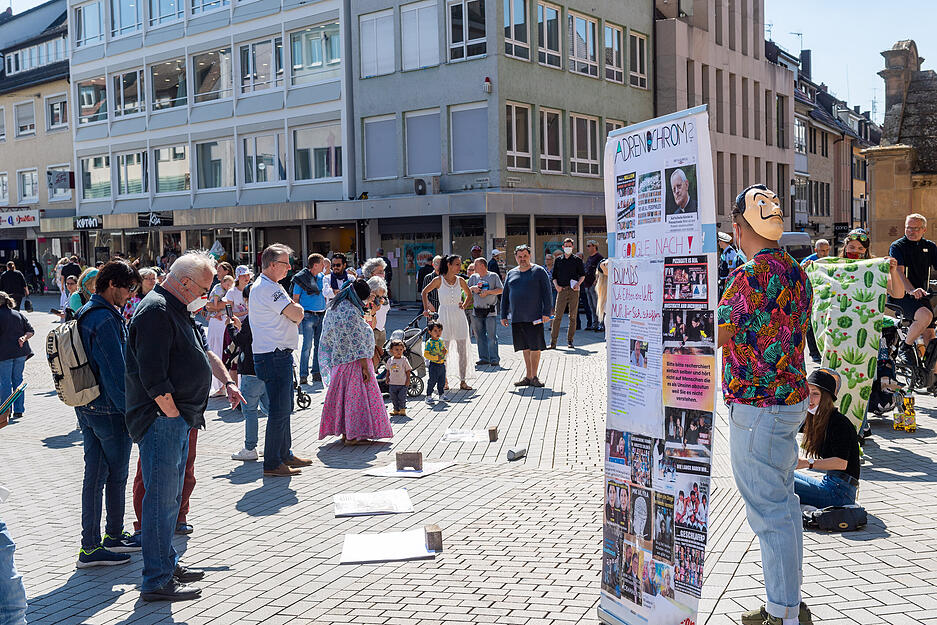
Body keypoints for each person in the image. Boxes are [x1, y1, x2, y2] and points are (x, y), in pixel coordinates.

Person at [125, 251, 244, 601]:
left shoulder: (176, 307)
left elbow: (201, 352)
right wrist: (172, 414)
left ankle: (166, 564)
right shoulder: (156, 310)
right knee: (161, 501)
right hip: (163, 420)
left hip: (177, 420)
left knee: (170, 501)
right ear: (185, 282)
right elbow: (152, 374)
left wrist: (224, 382)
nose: (206, 297)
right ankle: (156, 580)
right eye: (204, 289)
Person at [720, 185, 813, 625]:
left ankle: (782, 614)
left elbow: (717, 334)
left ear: (740, 229)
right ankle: (788, 601)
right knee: (784, 505)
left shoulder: (748, 276)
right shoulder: (798, 272)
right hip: (788, 400)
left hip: (757, 406)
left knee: (769, 510)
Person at [74, 261, 142, 568]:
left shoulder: (86, 311)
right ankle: (105, 539)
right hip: (108, 408)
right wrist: (132, 412)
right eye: (128, 289)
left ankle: (95, 542)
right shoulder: (105, 319)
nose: (129, 296)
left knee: (95, 475)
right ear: (113, 284)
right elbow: (116, 372)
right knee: (115, 476)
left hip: (86, 403)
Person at [251, 244, 309, 477]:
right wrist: (298, 310)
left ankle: (284, 454)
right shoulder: (268, 288)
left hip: (276, 354)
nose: (290, 268)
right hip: (273, 355)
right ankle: (273, 462)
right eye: (286, 264)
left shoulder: (271, 286)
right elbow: (296, 314)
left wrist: (295, 311)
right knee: (279, 409)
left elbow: (292, 313)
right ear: (273, 265)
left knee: (285, 408)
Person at [318, 279, 394, 444]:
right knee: (356, 400)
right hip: (355, 364)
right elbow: (357, 341)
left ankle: (347, 433)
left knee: (343, 400)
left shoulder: (334, 307)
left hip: (338, 362)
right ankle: (354, 435)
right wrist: (365, 367)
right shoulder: (350, 312)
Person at [794, 369, 860, 508]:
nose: (809, 399)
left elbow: (841, 463)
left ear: (826, 398)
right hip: (831, 484)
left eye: (815, 394)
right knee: (781, 476)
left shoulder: (838, 422)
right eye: (807, 393)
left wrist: (806, 463)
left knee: (777, 481)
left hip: (840, 494)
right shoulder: (815, 418)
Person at [889, 213, 937, 367]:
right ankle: (906, 346)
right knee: (925, 316)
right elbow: (899, 272)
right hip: (901, 296)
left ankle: (932, 378)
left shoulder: (930, 247)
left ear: (923, 230)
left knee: (930, 336)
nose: (911, 231)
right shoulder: (897, 246)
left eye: (915, 228)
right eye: (908, 228)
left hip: (922, 296)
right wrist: (911, 290)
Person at [501, 245, 553, 387]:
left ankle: (535, 376)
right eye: (520, 256)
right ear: (516, 257)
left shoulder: (539, 271)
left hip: (535, 317)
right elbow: (505, 295)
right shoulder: (511, 273)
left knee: (535, 347)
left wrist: (547, 312)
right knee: (525, 347)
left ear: (529, 256)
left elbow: (547, 293)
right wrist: (503, 314)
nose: (522, 259)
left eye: (525, 256)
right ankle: (528, 376)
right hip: (517, 317)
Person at [422, 254, 474, 391]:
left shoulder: (461, 280)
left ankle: (463, 381)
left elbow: (469, 294)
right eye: (457, 264)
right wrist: (426, 308)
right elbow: (424, 292)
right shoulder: (439, 280)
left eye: (460, 264)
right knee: (442, 350)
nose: (459, 266)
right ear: (449, 265)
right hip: (444, 315)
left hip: (459, 316)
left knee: (462, 350)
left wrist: (465, 304)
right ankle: (443, 380)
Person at [229, 283, 268, 461]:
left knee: (250, 410)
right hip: (268, 368)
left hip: (251, 370)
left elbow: (240, 340)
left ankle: (250, 447)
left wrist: (232, 327)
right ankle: (273, 445)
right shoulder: (269, 316)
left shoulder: (252, 319)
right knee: (271, 409)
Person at [291, 253, 327, 384]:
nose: (324, 266)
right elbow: (295, 299)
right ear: (316, 265)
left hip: (321, 315)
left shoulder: (322, 277)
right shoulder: (301, 279)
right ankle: (303, 375)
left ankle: (316, 373)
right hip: (307, 316)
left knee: (319, 346)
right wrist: (297, 318)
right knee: (306, 346)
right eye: (322, 264)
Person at [0, 292, 31, 422]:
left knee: (5, 382)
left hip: (5, 353)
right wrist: (23, 338)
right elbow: (30, 331)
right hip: (20, 352)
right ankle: (19, 410)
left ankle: (6, 411)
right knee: (18, 380)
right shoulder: (18, 314)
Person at [467, 258, 503, 367]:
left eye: (476, 265)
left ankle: (494, 359)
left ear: (482, 265)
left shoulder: (493, 276)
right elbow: (466, 290)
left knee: (491, 336)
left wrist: (488, 292)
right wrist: (472, 288)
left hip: (490, 311)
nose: (474, 267)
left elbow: (501, 290)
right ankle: (483, 358)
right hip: (476, 310)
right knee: (479, 336)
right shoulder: (473, 277)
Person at [550, 238, 585, 349]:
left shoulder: (577, 260)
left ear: (573, 247)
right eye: (566, 246)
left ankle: (570, 341)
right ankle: (553, 342)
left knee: (573, 317)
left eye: (570, 246)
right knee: (557, 316)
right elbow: (554, 276)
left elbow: (582, 275)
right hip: (562, 290)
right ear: (563, 247)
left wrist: (578, 284)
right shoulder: (558, 260)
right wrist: (556, 286)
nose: (568, 248)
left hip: (573, 291)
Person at [205, 262, 234, 395]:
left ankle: (226, 384)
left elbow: (225, 304)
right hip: (214, 323)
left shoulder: (231, 288)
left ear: (227, 272)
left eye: (220, 270)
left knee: (224, 350)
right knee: (214, 348)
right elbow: (207, 305)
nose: (217, 273)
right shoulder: (217, 286)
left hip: (223, 322)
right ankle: (220, 386)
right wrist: (212, 307)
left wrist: (214, 307)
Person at [362, 258, 390, 367]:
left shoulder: (382, 288)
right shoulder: (367, 291)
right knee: (373, 363)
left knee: (378, 363)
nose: (383, 274)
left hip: (381, 329)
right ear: (371, 273)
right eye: (380, 272)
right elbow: (367, 315)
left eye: (383, 271)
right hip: (371, 330)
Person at [423, 320, 448, 404]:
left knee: (442, 381)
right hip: (434, 365)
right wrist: (435, 357)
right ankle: (428, 396)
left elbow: (443, 349)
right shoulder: (429, 343)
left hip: (441, 364)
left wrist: (445, 351)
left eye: (440, 330)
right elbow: (426, 354)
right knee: (432, 380)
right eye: (435, 331)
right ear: (430, 332)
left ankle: (441, 395)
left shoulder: (440, 341)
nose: (438, 332)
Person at [582, 241, 604, 332]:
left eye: (589, 246)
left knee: (597, 305)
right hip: (587, 284)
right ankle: (594, 323)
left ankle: (601, 324)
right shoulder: (589, 258)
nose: (587, 248)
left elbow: (601, 270)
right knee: (591, 306)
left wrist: (596, 280)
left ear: (594, 246)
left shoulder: (599, 258)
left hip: (594, 285)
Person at [386, 339, 411, 416]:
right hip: (392, 383)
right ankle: (396, 409)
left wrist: (408, 380)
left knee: (402, 397)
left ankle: (402, 409)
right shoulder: (390, 360)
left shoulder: (404, 360)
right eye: (396, 350)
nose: (399, 351)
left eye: (401, 349)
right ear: (391, 351)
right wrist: (387, 378)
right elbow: (388, 370)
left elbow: (408, 371)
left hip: (402, 383)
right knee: (394, 397)